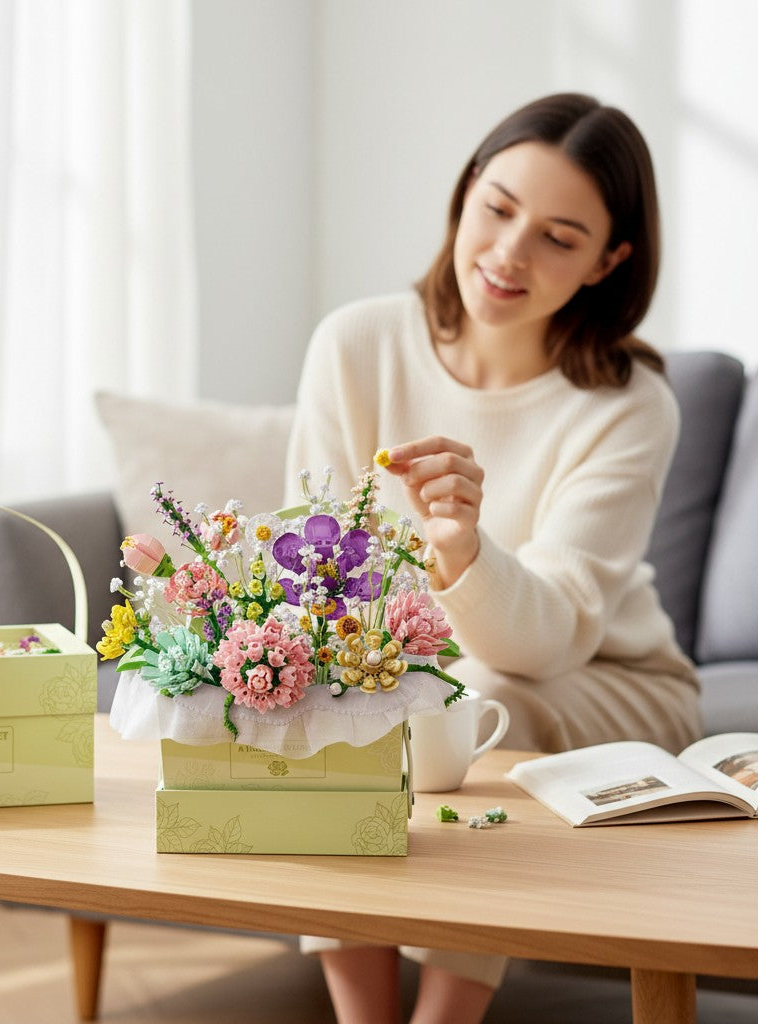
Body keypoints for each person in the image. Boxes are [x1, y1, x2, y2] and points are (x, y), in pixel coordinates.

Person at [284, 92, 701, 1024]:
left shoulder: (629, 405)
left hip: (609, 676)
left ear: (609, 261)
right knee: (314, 690)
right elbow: (308, 568)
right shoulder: (357, 343)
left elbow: (543, 642)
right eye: (500, 208)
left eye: (560, 237)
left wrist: (462, 549)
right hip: (408, 662)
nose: (511, 254)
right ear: (467, 191)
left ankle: (445, 1016)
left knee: (468, 700)